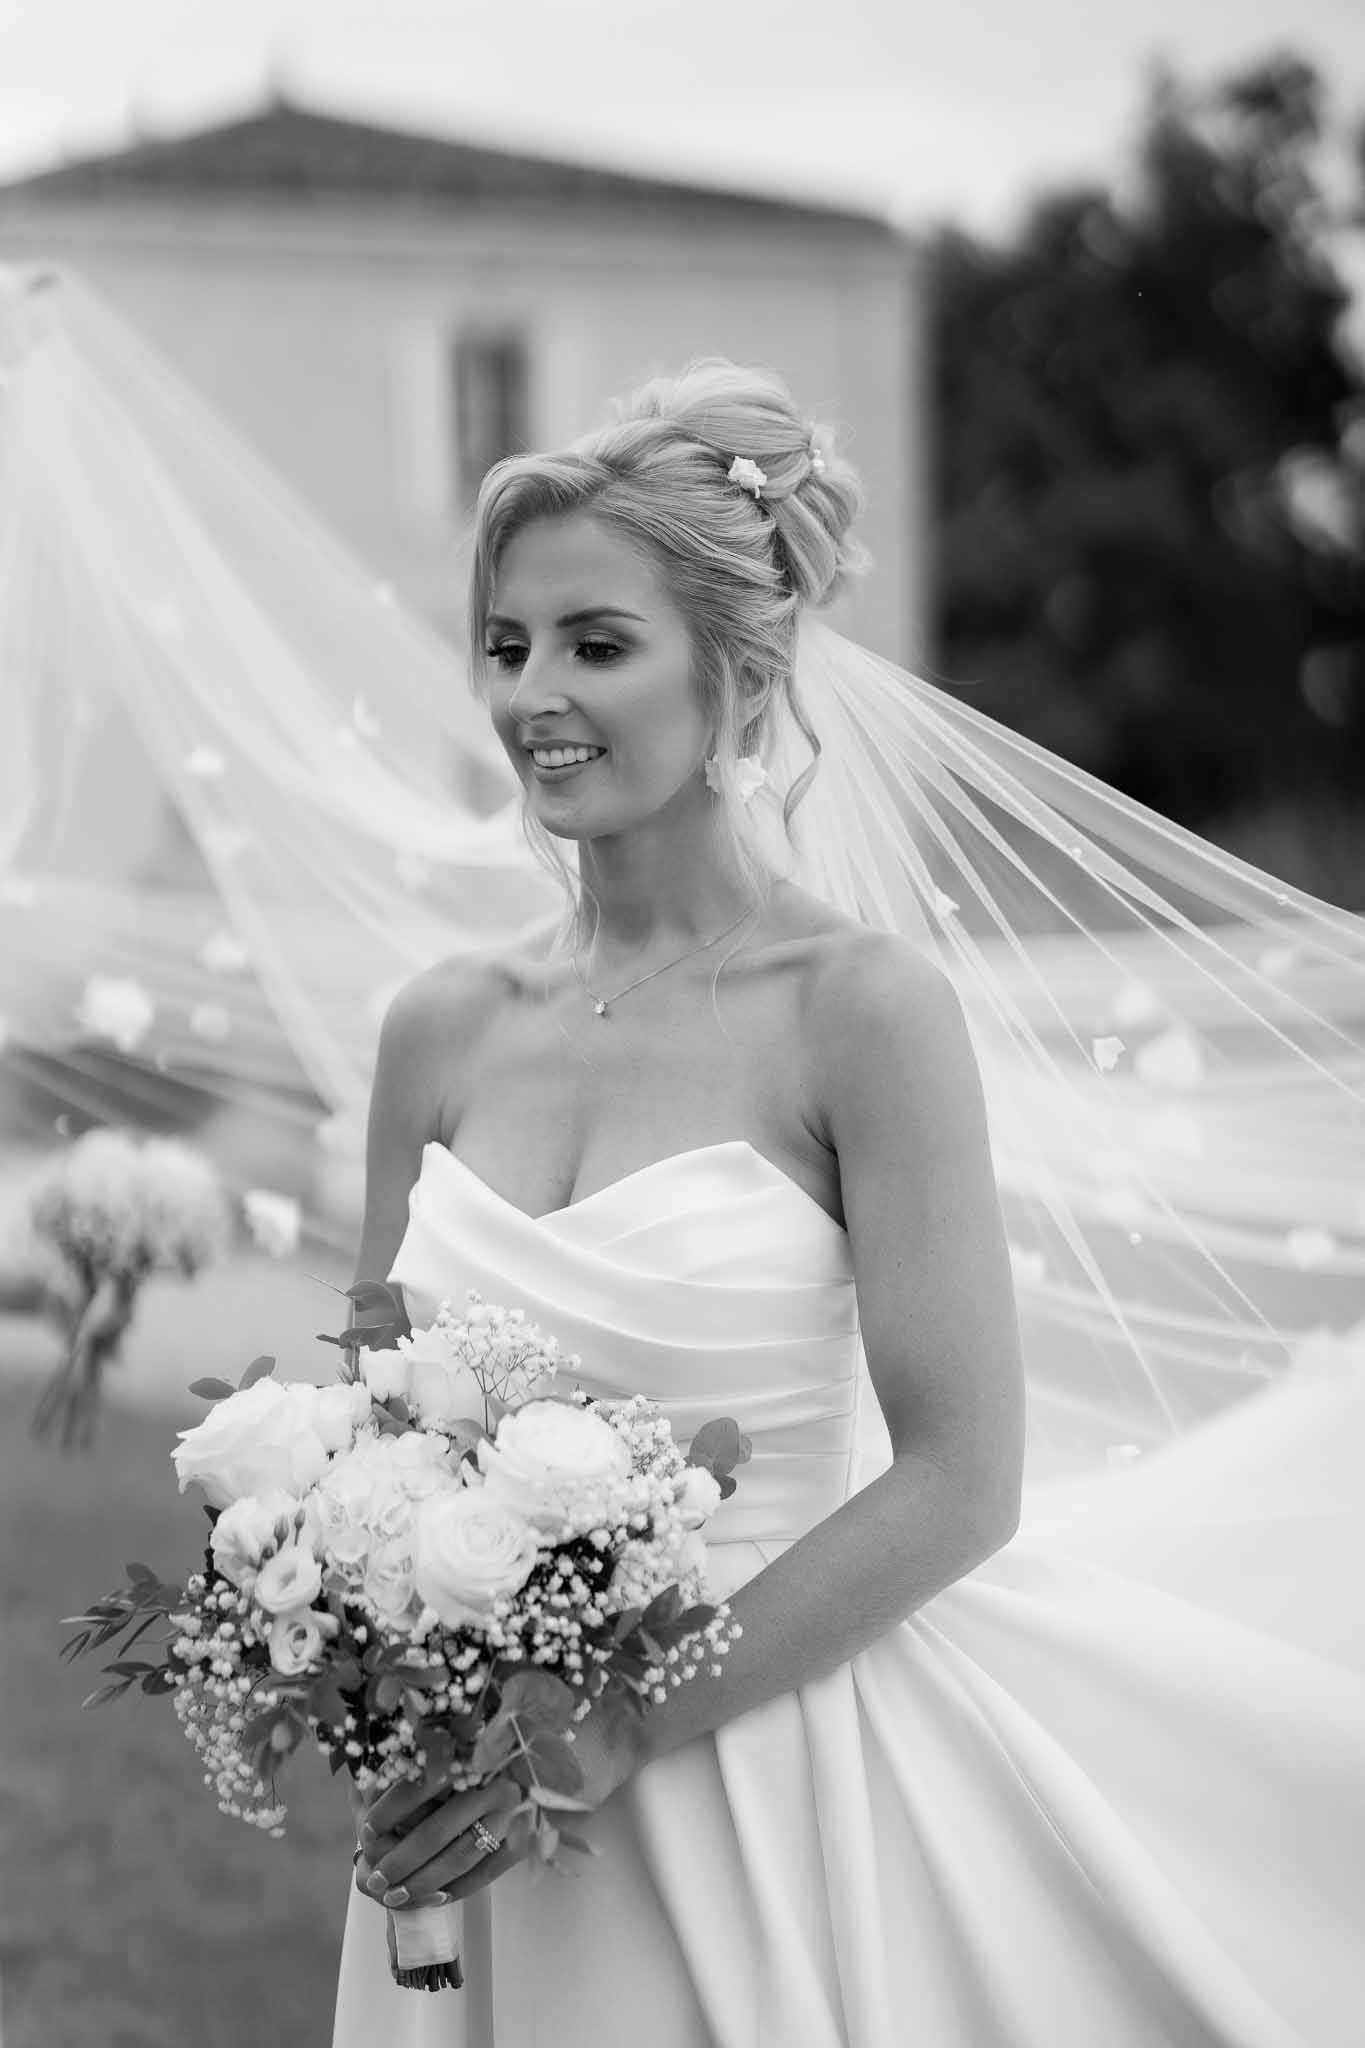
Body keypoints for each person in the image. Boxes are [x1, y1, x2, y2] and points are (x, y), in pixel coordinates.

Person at [330, 364, 1365, 2047]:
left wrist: (618, 1722)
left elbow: (960, 1477)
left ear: (738, 682)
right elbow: (358, 1440)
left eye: (597, 644)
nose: (534, 694)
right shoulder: (438, 1027)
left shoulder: (859, 1013)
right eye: (506, 645)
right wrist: (364, 1678)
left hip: (746, 1766)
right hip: (463, 1798)